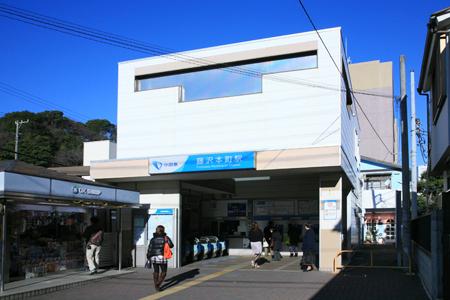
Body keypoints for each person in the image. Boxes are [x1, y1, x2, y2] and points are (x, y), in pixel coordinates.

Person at [147, 225, 174, 291]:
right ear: (163, 230)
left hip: (154, 257)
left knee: (156, 271)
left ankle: (156, 286)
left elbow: (149, 248)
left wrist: (148, 256)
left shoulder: (152, 239)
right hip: (162, 257)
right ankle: (158, 284)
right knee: (164, 272)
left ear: (156, 230)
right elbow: (171, 246)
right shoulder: (165, 237)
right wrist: (167, 241)